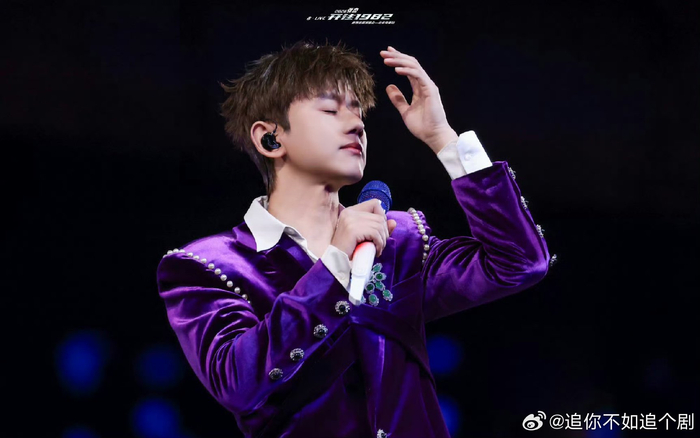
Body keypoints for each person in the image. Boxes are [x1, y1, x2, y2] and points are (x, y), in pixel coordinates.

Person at [156, 40, 554, 438]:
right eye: (331, 110)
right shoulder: (210, 266)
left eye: (359, 111)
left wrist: (443, 138)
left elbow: (519, 262)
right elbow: (238, 384)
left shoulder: (399, 239)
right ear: (271, 139)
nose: (356, 124)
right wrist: (334, 265)